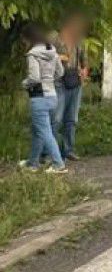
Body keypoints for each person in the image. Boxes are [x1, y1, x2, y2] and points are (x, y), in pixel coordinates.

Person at [19, 23, 67, 174]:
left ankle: (58, 164)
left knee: (45, 132)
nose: (24, 43)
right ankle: (32, 163)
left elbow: (34, 77)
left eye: (24, 40)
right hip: (52, 96)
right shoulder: (52, 51)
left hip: (39, 97)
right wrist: (49, 80)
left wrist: (24, 84)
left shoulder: (33, 54)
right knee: (38, 130)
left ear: (29, 38)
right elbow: (60, 73)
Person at [53, 16, 88, 161]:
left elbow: (84, 61)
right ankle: (52, 151)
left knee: (71, 118)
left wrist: (84, 72)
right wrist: (61, 57)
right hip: (59, 81)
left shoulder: (79, 41)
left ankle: (68, 150)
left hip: (75, 80)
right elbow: (49, 57)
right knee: (56, 118)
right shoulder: (55, 40)